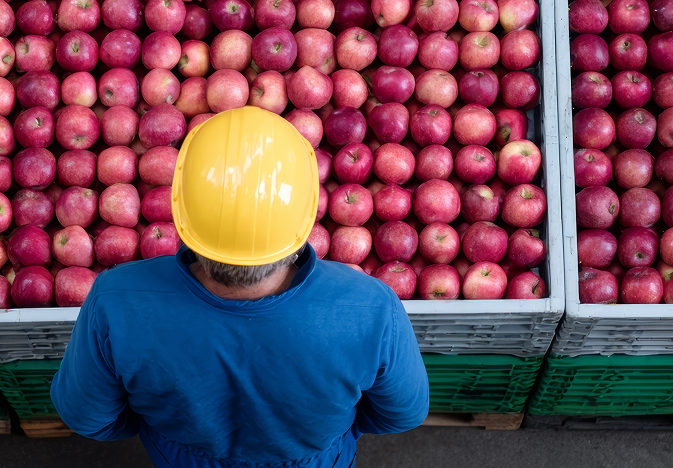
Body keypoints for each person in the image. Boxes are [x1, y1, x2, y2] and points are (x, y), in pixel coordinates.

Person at [51, 106, 429, 467]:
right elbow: (402, 414)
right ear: (307, 215)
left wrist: (161, 431)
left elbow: (88, 417)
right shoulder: (371, 308)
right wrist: (330, 435)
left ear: (179, 208)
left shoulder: (115, 300)